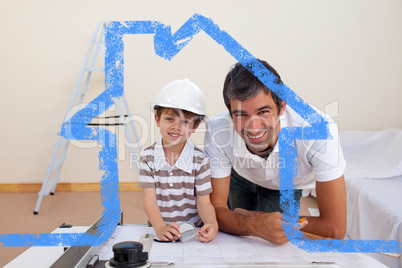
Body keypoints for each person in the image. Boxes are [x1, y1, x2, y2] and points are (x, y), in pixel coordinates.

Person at [204, 59, 346, 245]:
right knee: (237, 241)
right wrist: (251, 225)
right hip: (240, 177)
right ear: (230, 112)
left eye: (263, 112)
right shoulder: (217, 129)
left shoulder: (319, 129)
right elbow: (216, 213)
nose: (253, 128)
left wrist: (256, 219)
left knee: (273, 245)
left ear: (282, 106)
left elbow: (334, 228)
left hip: (286, 186)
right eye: (241, 114)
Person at [138, 79, 218, 243]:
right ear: (157, 119)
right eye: (169, 119)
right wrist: (160, 228)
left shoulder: (200, 160)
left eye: (185, 122)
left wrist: (211, 222)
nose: (176, 127)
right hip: (159, 228)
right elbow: (149, 200)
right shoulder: (147, 158)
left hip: (193, 231)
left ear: (194, 127)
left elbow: (204, 202)